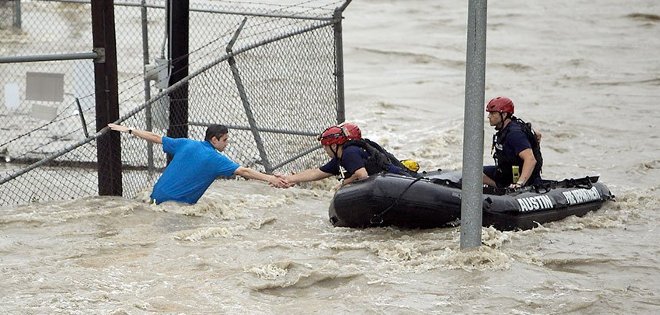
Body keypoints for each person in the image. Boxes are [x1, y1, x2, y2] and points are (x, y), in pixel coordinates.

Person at [107, 123, 288, 204]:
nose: (227, 143)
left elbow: (155, 137)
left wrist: (129, 129)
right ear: (214, 140)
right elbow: (244, 171)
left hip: (155, 197)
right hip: (175, 207)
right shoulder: (216, 159)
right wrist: (271, 178)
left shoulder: (185, 143)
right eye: (225, 140)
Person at [282, 122, 415, 187]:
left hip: (399, 182)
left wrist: (344, 183)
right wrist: (289, 179)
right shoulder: (342, 156)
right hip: (394, 182)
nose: (325, 150)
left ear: (334, 146)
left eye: (326, 147)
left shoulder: (349, 153)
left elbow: (362, 175)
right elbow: (317, 173)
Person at [483, 96, 543, 189]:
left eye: (493, 113)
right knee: (474, 173)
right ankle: (501, 188)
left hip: (524, 179)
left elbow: (530, 160)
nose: (489, 116)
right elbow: (537, 135)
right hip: (506, 173)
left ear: (504, 115)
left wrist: (519, 184)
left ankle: (505, 189)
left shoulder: (515, 134)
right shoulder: (504, 130)